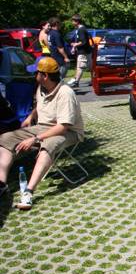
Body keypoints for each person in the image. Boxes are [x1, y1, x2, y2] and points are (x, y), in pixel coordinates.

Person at [0, 57, 84, 210]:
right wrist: (31, 117)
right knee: (5, 139)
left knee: (48, 145)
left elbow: (63, 126)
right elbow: (40, 105)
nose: (34, 75)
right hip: (42, 127)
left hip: (68, 131)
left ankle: (28, 192)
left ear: (44, 75)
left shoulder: (65, 93)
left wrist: (35, 139)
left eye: (36, 72)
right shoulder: (41, 87)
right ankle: (1, 184)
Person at [67, 14, 92, 88]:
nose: (72, 22)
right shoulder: (81, 29)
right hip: (86, 51)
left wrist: (75, 45)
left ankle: (76, 82)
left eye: (73, 21)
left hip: (83, 52)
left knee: (80, 67)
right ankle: (93, 80)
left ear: (77, 21)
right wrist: (74, 46)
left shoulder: (81, 30)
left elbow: (83, 42)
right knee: (90, 67)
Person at [47, 17, 70, 81]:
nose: (61, 25)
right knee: (61, 75)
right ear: (56, 24)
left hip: (53, 55)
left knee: (57, 74)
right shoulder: (56, 34)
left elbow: (49, 45)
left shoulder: (50, 33)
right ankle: (59, 85)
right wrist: (66, 57)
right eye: (60, 23)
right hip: (59, 57)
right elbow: (60, 47)